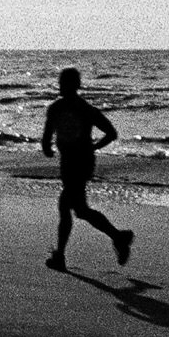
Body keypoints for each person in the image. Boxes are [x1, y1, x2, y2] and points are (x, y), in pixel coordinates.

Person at [41, 67, 133, 273]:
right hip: (69, 164)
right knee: (80, 210)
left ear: (74, 85)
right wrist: (48, 146)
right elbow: (47, 136)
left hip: (80, 163)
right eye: (61, 82)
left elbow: (111, 133)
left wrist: (92, 147)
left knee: (66, 207)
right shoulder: (62, 108)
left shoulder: (82, 109)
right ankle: (119, 237)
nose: (61, 85)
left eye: (64, 82)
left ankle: (60, 257)